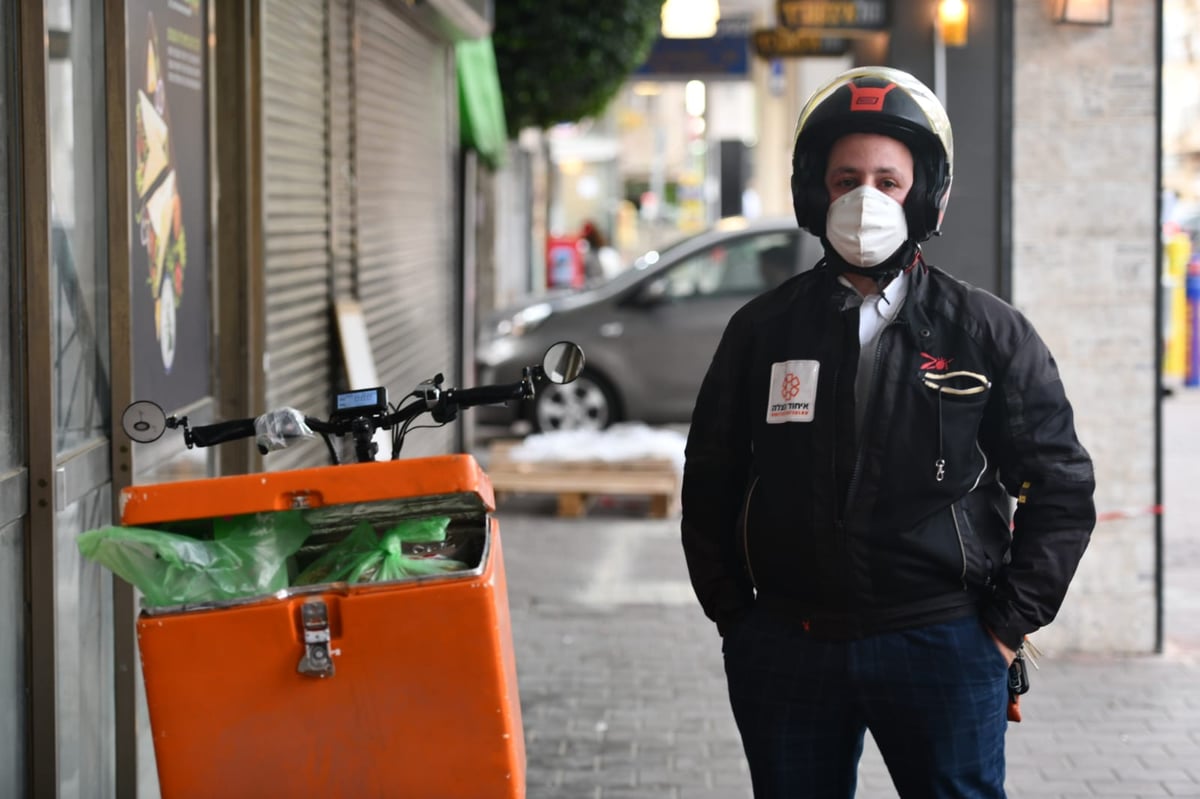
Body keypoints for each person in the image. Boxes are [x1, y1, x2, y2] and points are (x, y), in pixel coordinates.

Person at [680, 66, 1096, 798]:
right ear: (816, 192)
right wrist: (736, 618)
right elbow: (709, 476)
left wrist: (1001, 631)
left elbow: (1061, 485)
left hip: (942, 642)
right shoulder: (762, 331)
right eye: (846, 180)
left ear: (926, 193)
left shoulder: (987, 333)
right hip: (787, 644)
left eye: (888, 180)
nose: (865, 200)